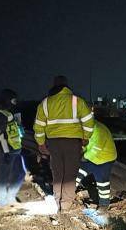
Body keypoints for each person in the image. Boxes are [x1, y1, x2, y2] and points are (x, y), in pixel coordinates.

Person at [33, 75, 94, 212]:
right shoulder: (77, 101)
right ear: (67, 86)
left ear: (54, 86)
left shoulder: (45, 103)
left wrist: (41, 143)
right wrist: (86, 137)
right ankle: (65, 205)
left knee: (57, 172)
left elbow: (38, 126)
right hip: (73, 143)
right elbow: (89, 123)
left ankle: (57, 201)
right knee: (70, 175)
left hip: (53, 143)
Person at [0, 88, 26, 209]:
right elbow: (0, 136)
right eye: (13, 100)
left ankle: (10, 197)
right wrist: (6, 152)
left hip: (14, 150)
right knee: (3, 177)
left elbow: (13, 131)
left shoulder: (7, 113)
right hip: (5, 151)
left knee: (20, 173)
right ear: (7, 100)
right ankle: (3, 203)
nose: (15, 103)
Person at [76, 117, 117, 209]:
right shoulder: (85, 129)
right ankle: (68, 194)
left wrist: (83, 157)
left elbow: (96, 149)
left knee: (102, 182)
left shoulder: (99, 131)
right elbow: (84, 144)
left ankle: (104, 205)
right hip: (90, 157)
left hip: (104, 159)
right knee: (77, 174)